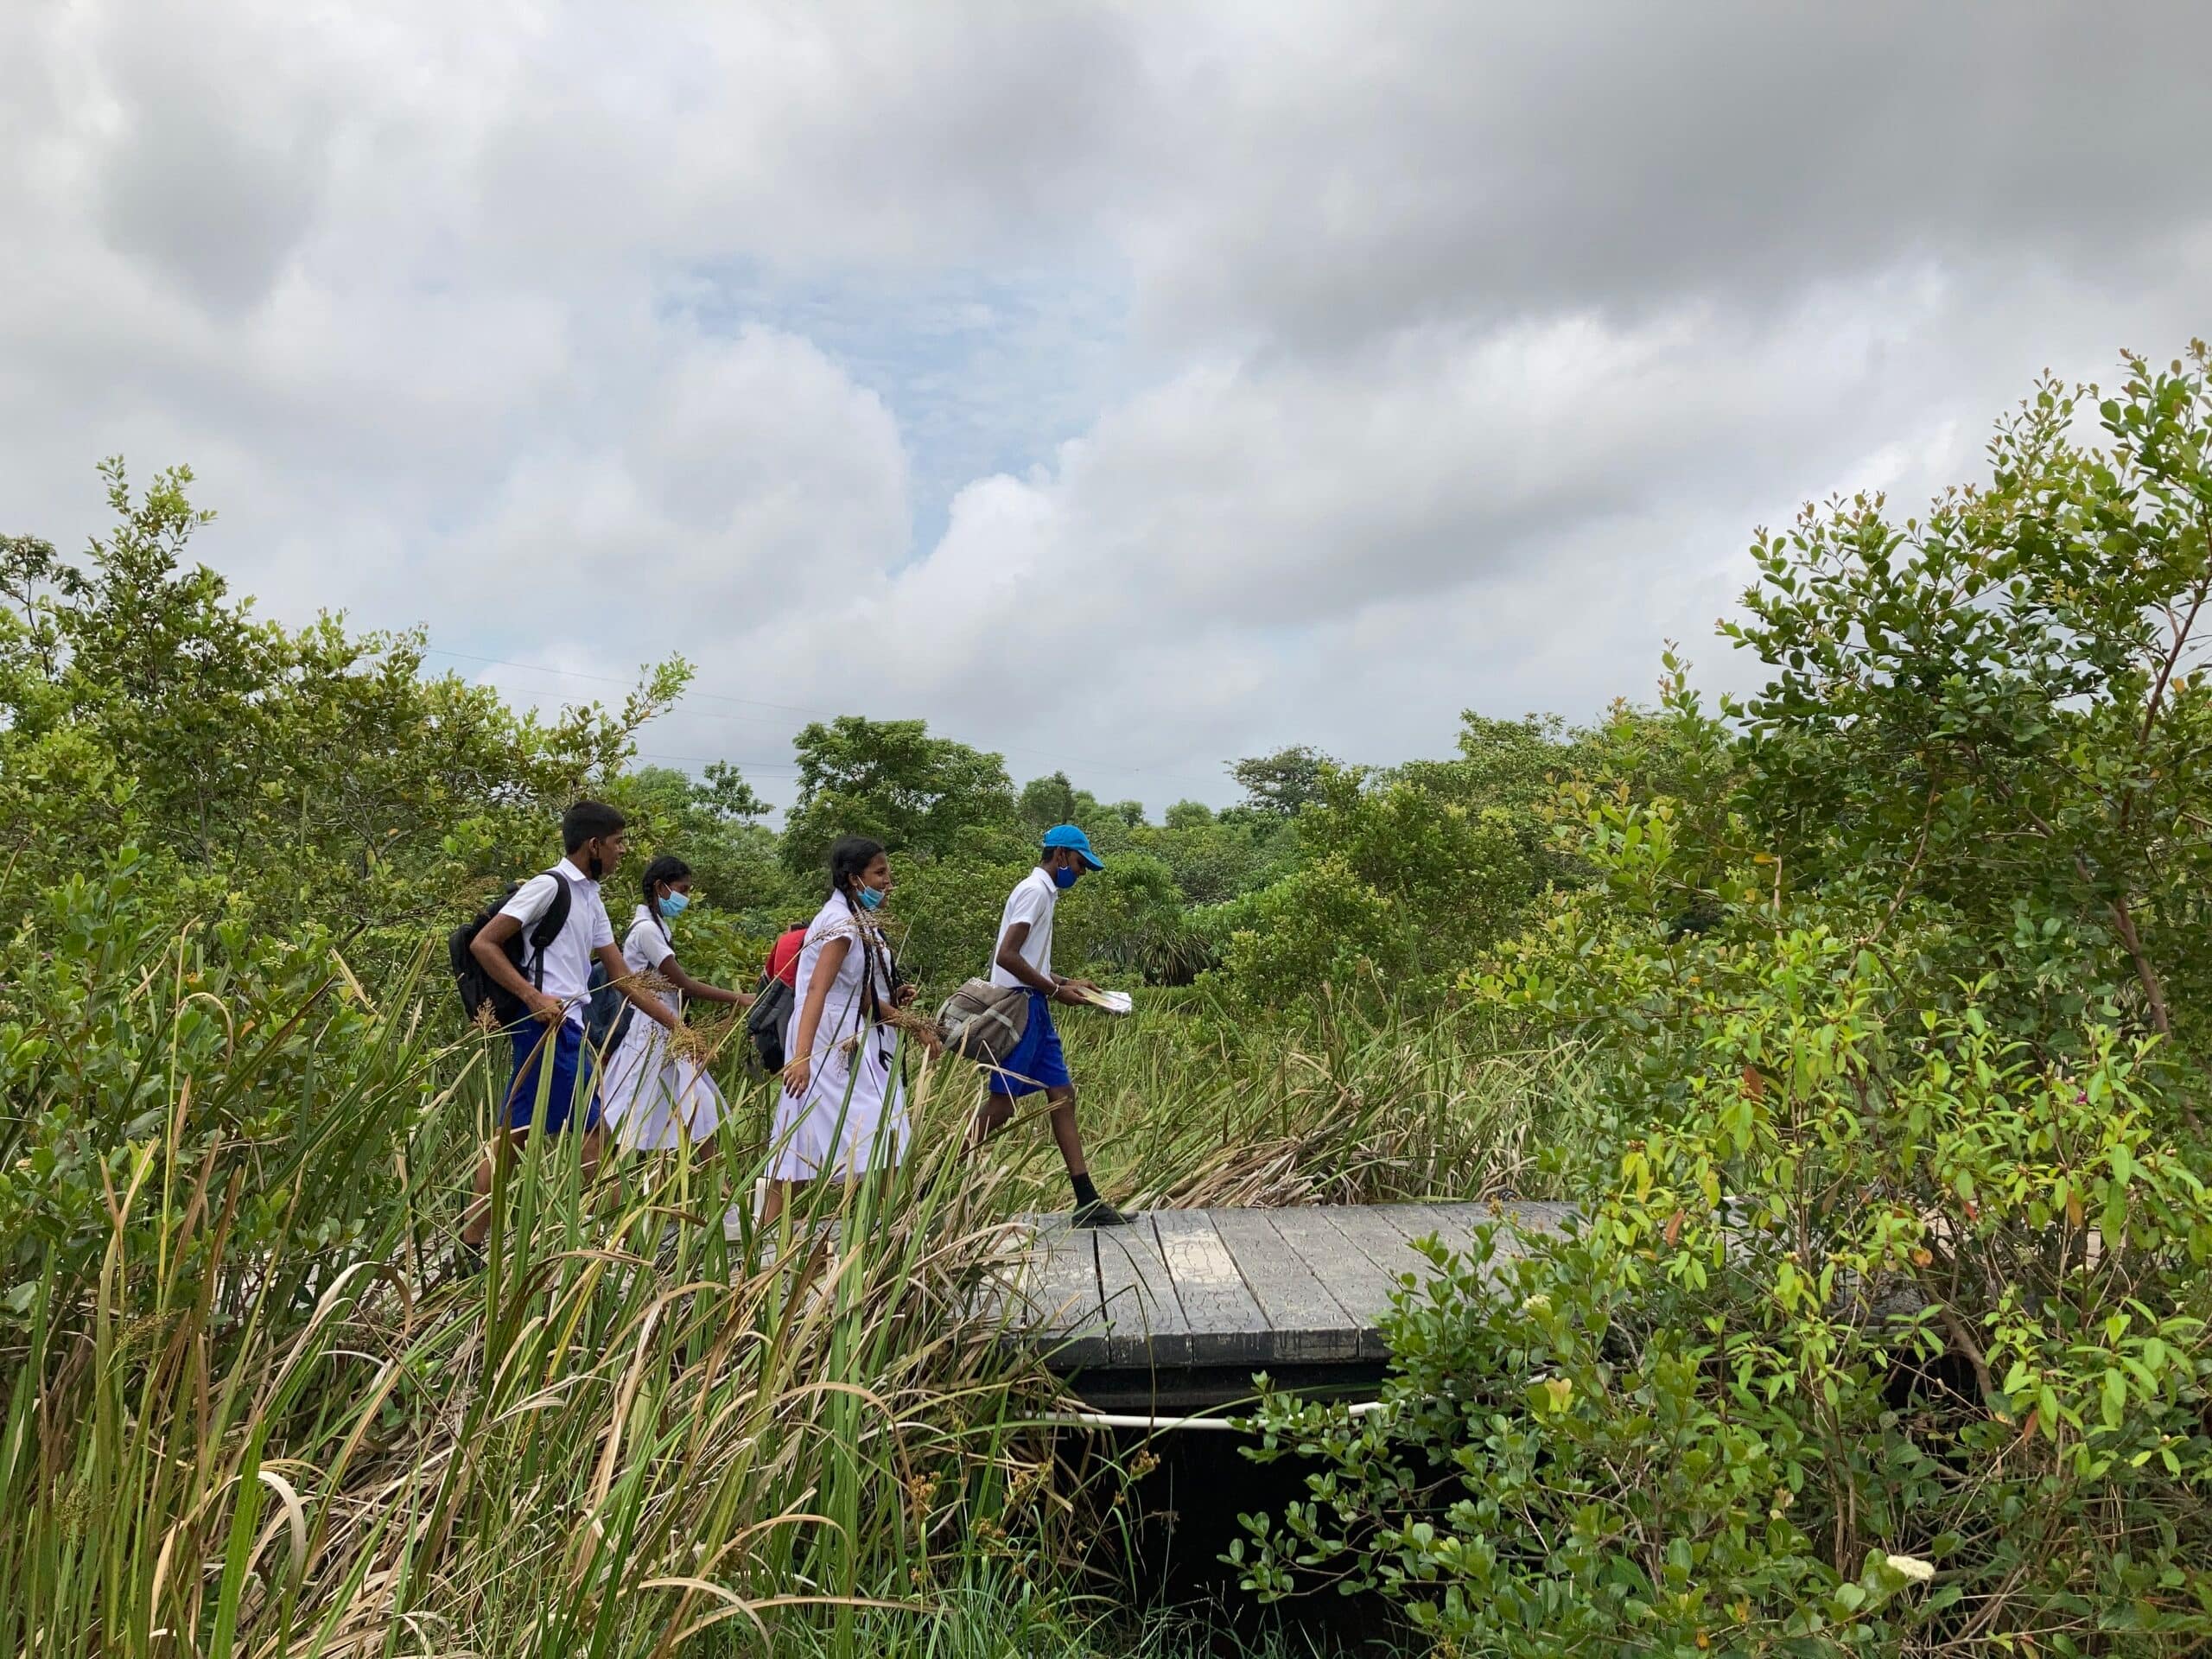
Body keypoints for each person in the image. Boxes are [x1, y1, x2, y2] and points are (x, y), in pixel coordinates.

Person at [461, 800, 678, 1261]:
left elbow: (622, 978)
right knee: (594, 1130)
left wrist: (675, 1023)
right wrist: (532, 996)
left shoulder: (591, 898)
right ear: (594, 844)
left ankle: (470, 1246)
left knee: (514, 1136)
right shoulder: (548, 886)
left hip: (568, 1026)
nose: (623, 852)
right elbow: (485, 944)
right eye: (618, 843)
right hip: (547, 1028)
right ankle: (624, 1248)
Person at [973, 823, 1131, 1227]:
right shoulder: (1034, 891)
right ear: (1061, 855)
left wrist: (1065, 982)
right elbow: (1008, 956)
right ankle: (929, 1185)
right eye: (1080, 864)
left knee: (1062, 1095)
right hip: (1020, 1009)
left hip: (1036, 1006)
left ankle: (1087, 1201)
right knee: (1002, 1105)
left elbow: (1030, 961)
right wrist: (1053, 990)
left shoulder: (1046, 892)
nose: (1080, 873)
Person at [762, 837, 918, 1227]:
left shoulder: (857, 920)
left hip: (843, 1032)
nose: (888, 881)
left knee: (809, 1129)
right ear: (854, 880)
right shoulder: (841, 924)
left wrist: (904, 1014)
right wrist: (801, 1056)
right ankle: (890, 1227)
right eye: (879, 873)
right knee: (880, 1125)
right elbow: (816, 987)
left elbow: (860, 992)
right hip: (827, 1037)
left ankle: (886, 1225)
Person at [599, 853, 753, 1156]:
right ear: (660, 888)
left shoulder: (656, 928)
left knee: (684, 1108)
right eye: (682, 890)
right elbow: (684, 983)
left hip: (662, 1029)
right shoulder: (646, 931)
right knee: (665, 1108)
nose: (686, 898)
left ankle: (710, 1191)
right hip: (650, 1032)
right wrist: (739, 998)